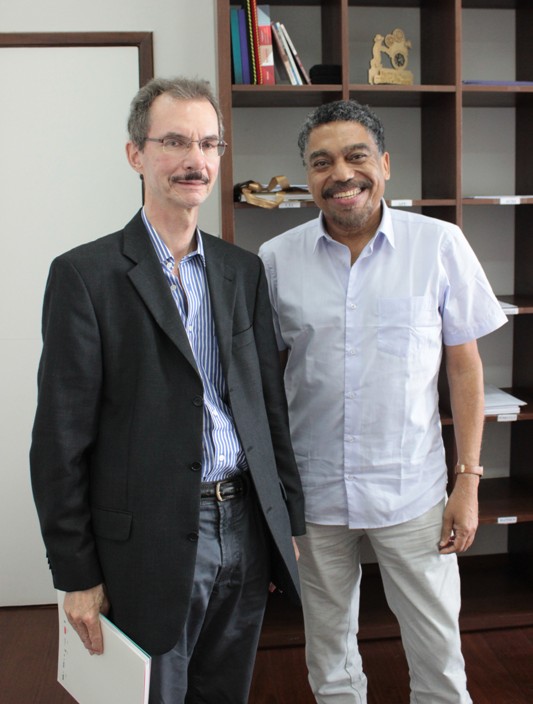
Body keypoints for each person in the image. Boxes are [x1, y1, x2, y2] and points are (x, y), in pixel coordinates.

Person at [30, 76, 305, 704]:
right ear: (136, 154)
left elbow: (268, 407)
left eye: (208, 144)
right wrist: (75, 573)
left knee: (224, 691)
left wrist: (281, 519)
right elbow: (59, 442)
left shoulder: (241, 270)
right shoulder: (85, 276)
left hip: (245, 522)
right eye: (175, 142)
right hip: (148, 537)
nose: (195, 160)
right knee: (157, 693)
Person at [258, 99, 507, 704]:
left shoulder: (439, 244)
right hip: (314, 495)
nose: (341, 174)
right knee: (329, 659)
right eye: (322, 162)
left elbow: (465, 367)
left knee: (439, 658)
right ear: (308, 175)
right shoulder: (276, 259)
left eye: (356, 156)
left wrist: (468, 482)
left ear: (386, 165)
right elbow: (263, 383)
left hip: (413, 492)